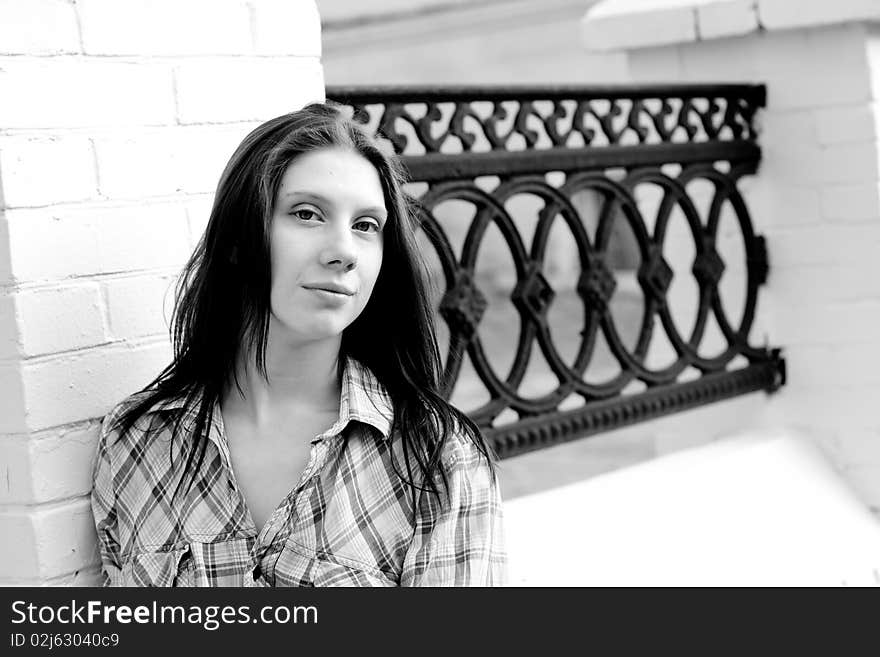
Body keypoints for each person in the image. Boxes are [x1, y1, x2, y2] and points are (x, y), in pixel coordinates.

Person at [90, 103, 506, 587]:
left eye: (366, 226)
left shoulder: (438, 461)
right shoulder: (136, 441)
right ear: (239, 239)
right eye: (307, 214)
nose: (345, 251)